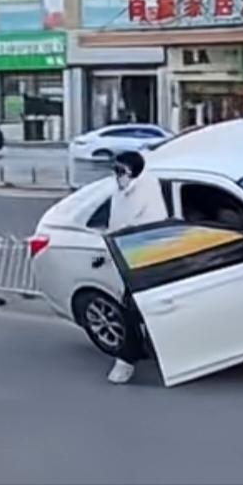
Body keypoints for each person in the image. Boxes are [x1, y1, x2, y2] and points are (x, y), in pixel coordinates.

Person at [105, 149, 167, 385]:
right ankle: (139, 352)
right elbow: (115, 224)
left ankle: (127, 358)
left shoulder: (146, 192)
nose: (117, 176)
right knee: (133, 310)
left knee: (133, 310)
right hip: (127, 258)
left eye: (121, 171)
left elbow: (145, 227)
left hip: (148, 260)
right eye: (115, 170)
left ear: (133, 173)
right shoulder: (119, 193)